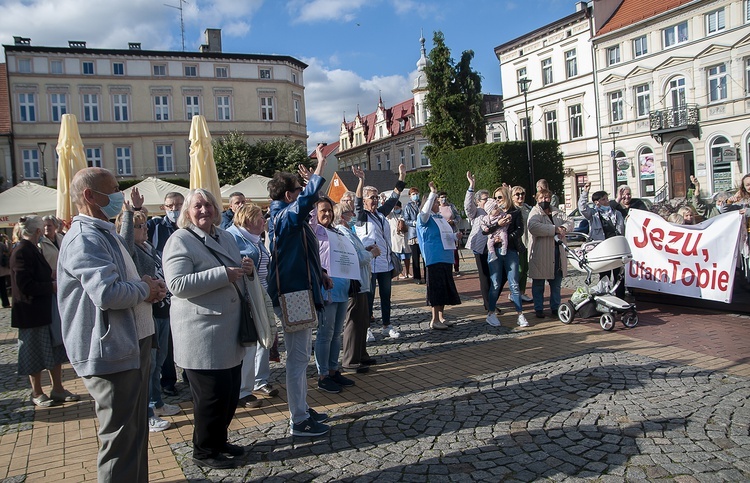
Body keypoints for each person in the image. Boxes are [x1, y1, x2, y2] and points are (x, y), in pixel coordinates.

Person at [58, 167, 166, 482]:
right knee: (119, 439)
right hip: (111, 351)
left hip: (130, 344)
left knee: (134, 434)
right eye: (114, 189)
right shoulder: (84, 237)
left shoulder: (101, 230)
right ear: (90, 196)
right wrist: (145, 289)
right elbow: (107, 293)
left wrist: (148, 288)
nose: (119, 194)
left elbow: (122, 280)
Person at [162, 188, 252, 469]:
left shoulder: (224, 235)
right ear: (187, 212)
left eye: (208, 205)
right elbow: (177, 285)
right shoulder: (180, 240)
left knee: (229, 394)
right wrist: (222, 274)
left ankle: (219, 440)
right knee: (210, 399)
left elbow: (234, 269)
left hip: (228, 328)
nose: (204, 210)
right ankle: (203, 451)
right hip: (202, 331)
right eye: (197, 206)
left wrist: (245, 266)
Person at [267, 143, 331, 437]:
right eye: (299, 188)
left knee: (300, 356)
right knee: (297, 358)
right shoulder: (283, 217)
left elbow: (305, 255)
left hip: (301, 292)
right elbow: (307, 202)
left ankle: (301, 407)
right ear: (289, 195)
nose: (304, 193)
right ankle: (298, 418)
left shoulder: (287, 217)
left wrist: (322, 275)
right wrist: (320, 165)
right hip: (293, 295)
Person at [115, 188, 181, 433]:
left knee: (160, 359)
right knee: (150, 363)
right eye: (139, 226)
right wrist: (130, 212)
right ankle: (148, 412)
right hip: (148, 311)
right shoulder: (130, 249)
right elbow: (124, 238)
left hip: (162, 309)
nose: (145, 230)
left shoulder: (148, 248)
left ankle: (158, 402)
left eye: (144, 225)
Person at [11, 215, 79, 408]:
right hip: (31, 313)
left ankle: (57, 388)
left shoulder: (32, 248)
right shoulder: (22, 250)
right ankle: (37, 391)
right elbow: (24, 285)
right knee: (34, 353)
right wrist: (51, 286)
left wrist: (49, 277)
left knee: (54, 350)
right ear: (38, 231)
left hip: (44, 310)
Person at [226, 204, 278, 407]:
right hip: (246, 298)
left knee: (264, 338)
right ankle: (243, 390)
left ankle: (259, 381)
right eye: (259, 218)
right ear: (248, 220)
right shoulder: (233, 237)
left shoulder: (255, 238)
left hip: (261, 294)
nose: (264, 221)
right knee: (249, 345)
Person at [354, 164, 407, 339]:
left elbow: (393, 198)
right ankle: (367, 328)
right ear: (365, 200)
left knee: (386, 295)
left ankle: (386, 325)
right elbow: (357, 201)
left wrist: (401, 176)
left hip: (385, 262)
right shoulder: (361, 216)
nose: (375, 200)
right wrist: (361, 181)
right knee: (368, 297)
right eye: (372, 198)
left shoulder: (381, 214)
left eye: (377, 197)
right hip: (370, 262)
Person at [311, 195, 358, 393]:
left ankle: (333, 369)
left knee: (337, 334)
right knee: (325, 333)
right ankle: (322, 375)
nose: (327, 214)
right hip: (326, 290)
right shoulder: (314, 232)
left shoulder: (336, 231)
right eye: (323, 210)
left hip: (341, 288)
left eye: (330, 210)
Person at [147, 191, 184, 397]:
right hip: (163, 293)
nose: (174, 209)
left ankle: (189, 372)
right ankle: (168, 380)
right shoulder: (155, 227)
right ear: (164, 208)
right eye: (170, 206)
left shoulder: (188, 226)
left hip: (185, 289)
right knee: (167, 339)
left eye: (178, 204)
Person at [336, 197, 379, 373]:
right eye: (350, 212)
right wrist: (372, 255)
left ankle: (361, 354)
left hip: (362, 282)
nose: (353, 215)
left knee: (362, 320)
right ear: (342, 216)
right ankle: (351, 359)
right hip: (355, 283)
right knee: (354, 321)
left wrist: (366, 250)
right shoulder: (342, 232)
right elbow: (353, 258)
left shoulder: (349, 231)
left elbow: (358, 252)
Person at [417, 182, 462, 329]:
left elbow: (445, 235)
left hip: (446, 257)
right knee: (436, 289)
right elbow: (424, 213)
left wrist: (456, 236)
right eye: (435, 202)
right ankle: (434, 319)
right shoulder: (424, 218)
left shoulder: (439, 218)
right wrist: (432, 193)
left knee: (444, 288)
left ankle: (441, 317)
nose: (438, 204)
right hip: (434, 257)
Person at [482, 186, 527, 328]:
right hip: (494, 250)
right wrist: (497, 227)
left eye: (499, 197)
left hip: (511, 250)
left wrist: (506, 237)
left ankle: (520, 314)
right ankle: (491, 313)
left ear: (506, 196)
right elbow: (485, 230)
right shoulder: (492, 212)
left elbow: (520, 230)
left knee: (514, 282)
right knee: (495, 283)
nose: (497, 201)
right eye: (495, 198)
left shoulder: (515, 212)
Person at [527, 189, 573, 318]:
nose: (544, 200)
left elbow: (570, 221)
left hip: (557, 253)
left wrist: (564, 228)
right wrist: (554, 229)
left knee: (556, 284)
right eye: (541, 198)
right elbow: (533, 227)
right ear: (537, 199)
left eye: (547, 197)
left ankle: (555, 307)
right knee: (538, 285)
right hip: (540, 254)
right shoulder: (535, 212)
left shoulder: (557, 212)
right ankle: (539, 309)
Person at [579, 182, 626, 297]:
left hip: (616, 247)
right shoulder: (593, 214)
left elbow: (623, 229)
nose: (607, 201)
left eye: (607, 198)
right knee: (604, 274)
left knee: (619, 274)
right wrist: (585, 192)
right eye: (604, 199)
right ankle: (604, 297)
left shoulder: (616, 213)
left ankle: (620, 297)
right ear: (597, 202)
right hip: (603, 248)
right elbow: (582, 208)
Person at [464, 172, 492, 312]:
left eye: (489, 198)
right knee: (485, 276)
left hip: (495, 246)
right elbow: (468, 207)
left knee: (497, 275)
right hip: (480, 247)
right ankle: (489, 305)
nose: (487, 201)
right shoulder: (477, 211)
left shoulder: (494, 210)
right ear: (478, 202)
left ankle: (492, 301)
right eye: (484, 199)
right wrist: (471, 186)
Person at [511, 186, 533, 303]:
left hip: (528, 241)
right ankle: (513, 292)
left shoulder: (528, 208)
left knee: (525, 269)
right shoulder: (512, 209)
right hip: (517, 243)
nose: (520, 196)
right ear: (512, 196)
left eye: (522, 194)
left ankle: (522, 292)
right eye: (517, 194)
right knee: (518, 270)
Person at [437, 191, 462, 276]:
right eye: (442, 197)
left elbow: (458, 217)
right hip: (441, 233)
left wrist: (453, 221)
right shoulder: (437, 208)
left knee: (454, 251)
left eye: (445, 197)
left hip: (452, 231)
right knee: (444, 251)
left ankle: (456, 268)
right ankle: (446, 268)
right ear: (438, 199)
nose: (444, 199)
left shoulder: (451, 206)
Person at [403, 187, 424, 284]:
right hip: (413, 234)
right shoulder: (408, 206)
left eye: (416, 193)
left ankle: (427, 276)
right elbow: (406, 220)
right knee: (415, 257)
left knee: (425, 256)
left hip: (423, 234)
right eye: (413, 194)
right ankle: (417, 277)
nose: (415, 195)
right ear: (410, 196)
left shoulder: (422, 204)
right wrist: (414, 222)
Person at [387, 201, 411, 279]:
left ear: (400, 207)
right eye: (394, 208)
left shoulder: (405, 213)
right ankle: (399, 273)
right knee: (397, 258)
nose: (395, 209)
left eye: (397, 208)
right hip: (395, 238)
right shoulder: (391, 215)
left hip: (405, 237)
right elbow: (386, 213)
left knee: (407, 257)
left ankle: (407, 272)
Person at [0, 234, 11, 308]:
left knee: (2, 286)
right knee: (2, 287)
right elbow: (8, 251)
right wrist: (7, 240)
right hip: (1, 270)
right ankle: (5, 303)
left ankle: (5, 303)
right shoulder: (1, 245)